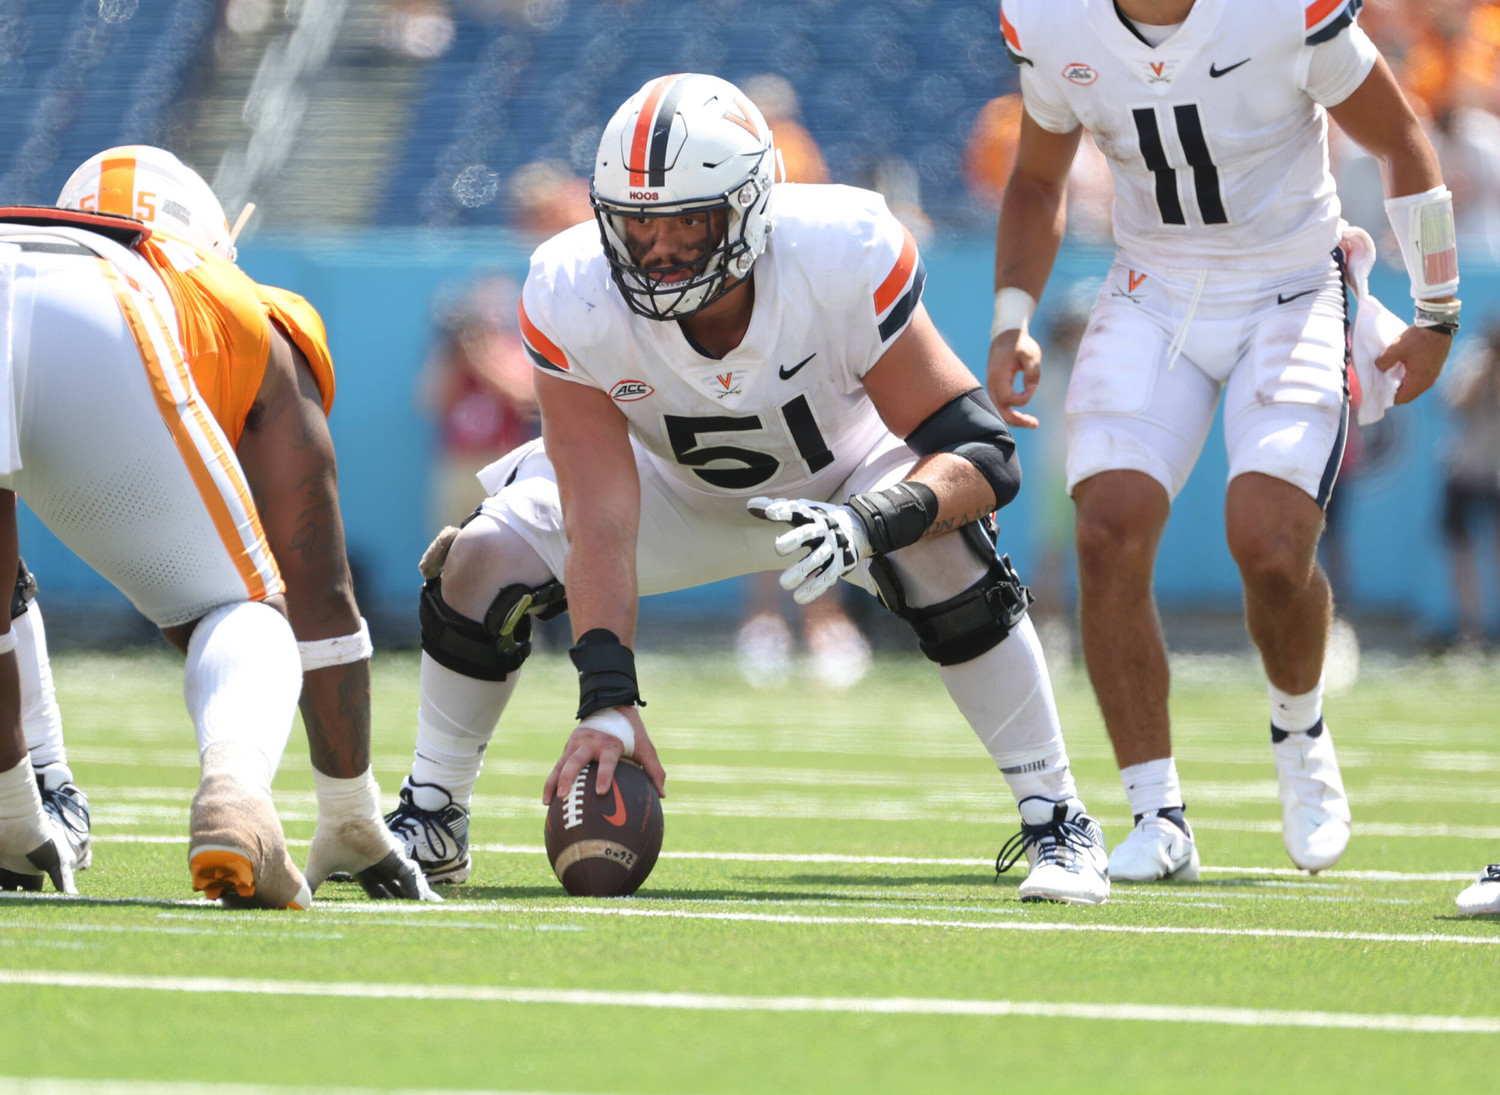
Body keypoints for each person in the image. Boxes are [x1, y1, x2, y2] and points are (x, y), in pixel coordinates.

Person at [385, 73, 1111, 904]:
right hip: (670, 492)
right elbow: (597, 512)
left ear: (751, 206)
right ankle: (433, 813)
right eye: (638, 224)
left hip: (844, 479)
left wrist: (874, 521)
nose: (658, 249)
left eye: (688, 221)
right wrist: (607, 699)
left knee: (947, 551)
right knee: (477, 557)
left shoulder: (842, 248)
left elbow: (982, 451)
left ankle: (1058, 817)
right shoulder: (571, 285)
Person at [988, 0, 1459, 880]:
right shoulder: (1052, 21)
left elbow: (1399, 136)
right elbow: (1038, 179)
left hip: (1290, 282)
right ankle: (1156, 813)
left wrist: (1436, 309)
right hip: (1151, 284)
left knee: (1272, 547)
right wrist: (1011, 315)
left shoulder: (1282, 9)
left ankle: (1299, 722)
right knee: (1106, 527)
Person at [0, 146, 433, 903]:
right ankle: (235, 798)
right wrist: (351, 809)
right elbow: (320, 594)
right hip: (109, 304)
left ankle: (8, 811)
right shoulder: (232, 298)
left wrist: (9, 800)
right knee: (246, 606)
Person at [1438, 320, 1500, 649]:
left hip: (1495, 473)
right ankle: (1470, 625)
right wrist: (1485, 368)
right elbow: (1456, 405)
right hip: (1465, 469)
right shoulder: (1473, 359)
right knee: (1461, 552)